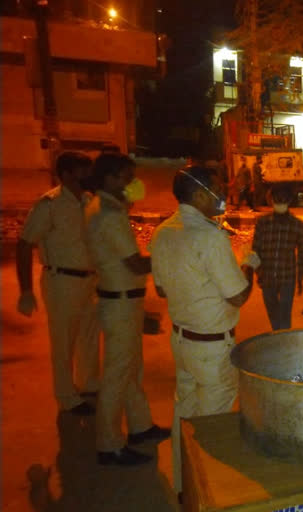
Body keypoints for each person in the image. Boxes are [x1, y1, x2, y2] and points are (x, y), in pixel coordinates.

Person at [150, 166, 257, 496]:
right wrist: (248, 265)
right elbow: (238, 296)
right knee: (213, 429)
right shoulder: (209, 237)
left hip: (182, 341)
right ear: (198, 195)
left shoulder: (164, 231)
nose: (223, 195)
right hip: (212, 349)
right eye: (216, 189)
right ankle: (208, 496)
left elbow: (162, 290)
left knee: (185, 417)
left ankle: (183, 488)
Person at [84, 153, 169, 466]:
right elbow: (134, 262)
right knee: (118, 375)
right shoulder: (109, 215)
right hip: (118, 300)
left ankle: (140, 427)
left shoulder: (104, 207)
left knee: (131, 370)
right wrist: (168, 256)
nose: (132, 184)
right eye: (126, 178)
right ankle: (108, 444)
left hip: (121, 298)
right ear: (109, 178)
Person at [16, 152, 100, 415]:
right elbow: (24, 244)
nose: (89, 176)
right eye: (83, 171)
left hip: (89, 280)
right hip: (61, 280)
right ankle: (66, 396)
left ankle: (88, 384)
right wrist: (26, 290)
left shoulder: (89, 201)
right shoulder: (49, 205)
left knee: (88, 336)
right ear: (66, 175)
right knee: (63, 341)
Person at [251, 183, 303, 330]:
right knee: (273, 313)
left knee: (284, 315)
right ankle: (280, 339)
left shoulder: (298, 225)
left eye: (283, 200)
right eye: (277, 200)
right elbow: (255, 250)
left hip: (287, 278)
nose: (280, 203)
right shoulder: (262, 223)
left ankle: (281, 341)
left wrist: (300, 278)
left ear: (289, 201)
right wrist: (259, 272)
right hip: (267, 276)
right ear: (271, 200)